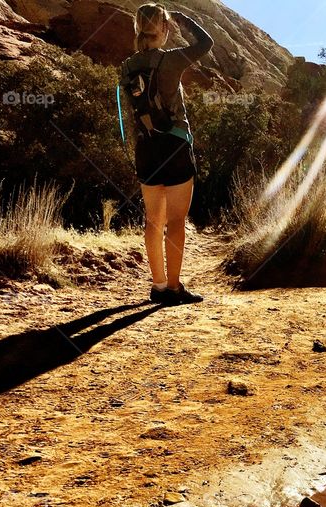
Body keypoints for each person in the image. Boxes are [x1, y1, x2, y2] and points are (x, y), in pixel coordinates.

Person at [121, 3, 213, 305]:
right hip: (174, 146)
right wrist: (183, 18)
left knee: (152, 220)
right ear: (164, 29)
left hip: (146, 148)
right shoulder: (171, 61)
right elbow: (206, 43)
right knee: (175, 221)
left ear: (137, 29)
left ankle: (158, 285)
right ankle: (173, 289)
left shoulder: (127, 67)